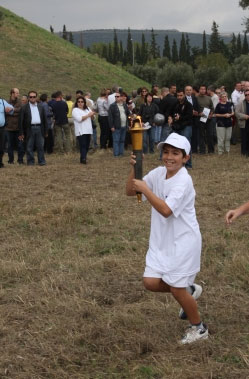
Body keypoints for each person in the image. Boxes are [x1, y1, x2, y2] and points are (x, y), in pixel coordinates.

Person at [126, 133, 208, 344]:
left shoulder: (184, 181)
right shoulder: (158, 173)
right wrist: (135, 169)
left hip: (183, 241)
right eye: (166, 152)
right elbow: (130, 191)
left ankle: (198, 328)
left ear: (185, 158)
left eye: (175, 153)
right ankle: (190, 291)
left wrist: (145, 189)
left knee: (176, 287)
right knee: (150, 282)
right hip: (162, 240)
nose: (169, 157)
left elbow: (166, 210)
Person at [19, 90, 48, 166]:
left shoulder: (41, 107)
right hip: (29, 129)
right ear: (28, 98)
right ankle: (30, 161)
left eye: (34, 97)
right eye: (31, 97)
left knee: (40, 146)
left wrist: (46, 131)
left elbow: (45, 119)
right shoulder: (24, 108)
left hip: (39, 128)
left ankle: (41, 161)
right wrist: (21, 132)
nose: (32, 98)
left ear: (36, 97)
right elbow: (21, 121)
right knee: (29, 146)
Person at [168, 89, 193, 168]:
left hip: (186, 126)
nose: (179, 97)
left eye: (181, 95)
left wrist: (180, 118)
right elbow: (170, 112)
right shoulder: (175, 104)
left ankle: (188, 164)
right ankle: (179, 163)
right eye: (178, 96)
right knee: (177, 145)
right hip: (177, 127)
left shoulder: (188, 105)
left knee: (186, 144)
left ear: (184, 95)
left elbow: (189, 117)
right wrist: (170, 118)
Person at [72, 95, 95, 164]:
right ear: (77, 103)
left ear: (84, 103)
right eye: (79, 102)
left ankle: (83, 157)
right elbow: (79, 119)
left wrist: (92, 115)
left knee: (87, 145)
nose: (80, 103)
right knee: (83, 145)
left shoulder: (87, 109)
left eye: (82, 102)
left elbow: (93, 118)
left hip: (88, 130)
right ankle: (83, 159)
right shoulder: (75, 110)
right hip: (81, 130)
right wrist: (88, 115)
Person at [5, 88, 25, 164]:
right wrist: (16, 111)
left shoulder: (20, 102)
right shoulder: (6, 102)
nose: (18, 94)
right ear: (12, 93)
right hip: (8, 128)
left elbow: (21, 110)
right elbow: (5, 111)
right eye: (17, 93)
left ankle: (20, 160)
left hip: (18, 128)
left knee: (20, 145)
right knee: (10, 146)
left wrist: (11, 110)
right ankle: (11, 160)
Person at [108, 92, 130, 157]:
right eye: (115, 97)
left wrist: (129, 122)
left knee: (122, 140)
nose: (116, 98)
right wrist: (111, 126)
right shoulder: (112, 106)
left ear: (121, 97)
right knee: (116, 140)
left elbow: (128, 114)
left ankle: (121, 153)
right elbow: (110, 117)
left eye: (118, 96)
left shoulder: (124, 105)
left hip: (124, 125)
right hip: (116, 126)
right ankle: (116, 154)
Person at [197, 85, 214, 154]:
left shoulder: (209, 98)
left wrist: (211, 114)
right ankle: (202, 151)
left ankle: (211, 150)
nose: (203, 90)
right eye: (201, 89)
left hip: (209, 119)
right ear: (199, 90)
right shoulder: (196, 98)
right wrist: (199, 113)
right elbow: (194, 109)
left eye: (204, 89)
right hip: (200, 119)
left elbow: (212, 108)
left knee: (210, 134)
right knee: (201, 135)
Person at [235, 88, 249, 156]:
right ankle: (244, 152)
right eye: (246, 95)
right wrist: (244, 116)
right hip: (244, 123)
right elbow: (237, 113)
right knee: (244, 138)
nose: (247, 96)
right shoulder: (241, 103)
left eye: (248, 94)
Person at [0, 97, 14, 168]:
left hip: (2, 129)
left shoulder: (2, 102)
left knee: (1, 147)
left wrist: (10, 108)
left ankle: (0, 163)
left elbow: (11, 108)